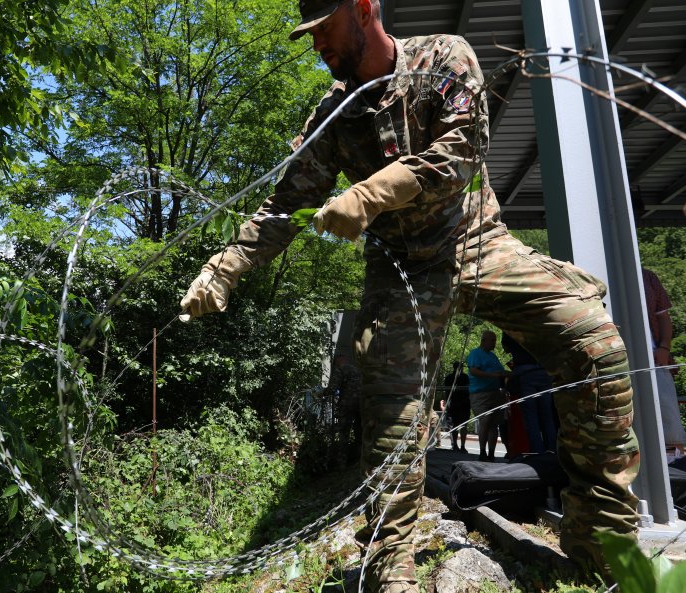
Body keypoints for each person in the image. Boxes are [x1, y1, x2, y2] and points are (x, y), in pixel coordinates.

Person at [178, 0, 639, 588]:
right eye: (311, 34)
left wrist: (370, 194)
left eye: (325, 29)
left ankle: (603, 554)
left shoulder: (441, 58)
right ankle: (390, 570)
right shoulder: (334, 114)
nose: (317, 45)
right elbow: (280, 208)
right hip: (402, 271)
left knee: (596, 346)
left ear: (364, 8)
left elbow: (460, 153)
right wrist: (224, 269)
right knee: (392, 418)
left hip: (477, 242)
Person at [642, 268, 686, 460]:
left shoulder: (648, 277)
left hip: (656, 359)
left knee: (668, 413)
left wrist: (664, 349)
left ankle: (676, 467)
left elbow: (663, 317)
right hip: (617, 359)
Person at [502, 332, 558, 454]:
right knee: (547, 416)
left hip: (524, 373)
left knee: (530, 416)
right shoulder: (537, 322)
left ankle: (537, 453)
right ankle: (552, 451)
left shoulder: (511, 325)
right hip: (544, 371)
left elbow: (506, 347)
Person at [466, 331, 508, 462]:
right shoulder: (475, 354)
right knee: (485, 420)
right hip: (480, 395)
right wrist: (492, 375)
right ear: (483, 340)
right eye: (492, 340)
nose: (494, 343)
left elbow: (501, 371)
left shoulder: (493, 356)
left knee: (494, 424)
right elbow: (473, 370)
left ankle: (491, 453)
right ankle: (482, 451)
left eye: (495, 340)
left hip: (495, 393)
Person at [329, 354, 363, 466]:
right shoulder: (357, 370)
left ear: (339, 361)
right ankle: (359, 460)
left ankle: (341, 463)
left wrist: (323, 393)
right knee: (360, 432)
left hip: (347, 405)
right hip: (361, 405)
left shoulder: (341, 370)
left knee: (344, 432)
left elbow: (333, 388)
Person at [441, 361, 470, 453]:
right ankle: (461, 446)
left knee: (455, 425)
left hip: (454, 404)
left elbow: (446, 392)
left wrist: (447, 403)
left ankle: (456, 445)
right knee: (462, 425)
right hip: (463, 404)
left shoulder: (449, 377)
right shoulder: (465, 377)